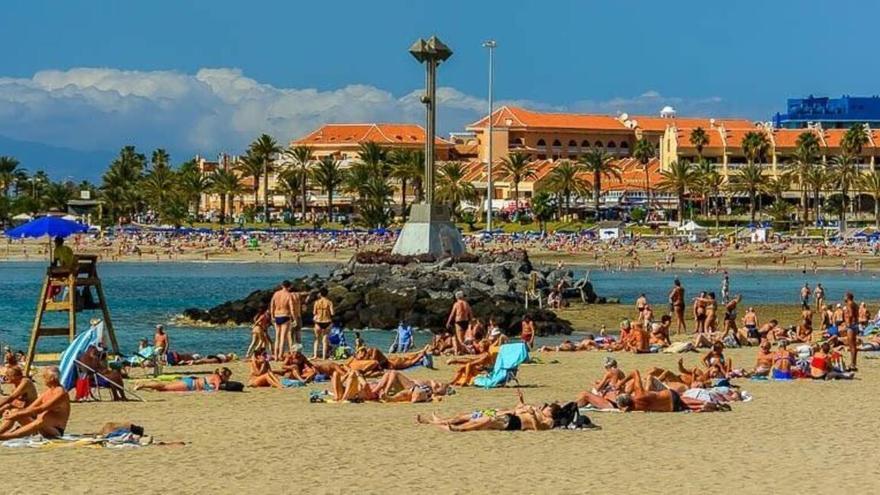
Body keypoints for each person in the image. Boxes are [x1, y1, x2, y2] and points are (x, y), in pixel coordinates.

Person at [0, 366, 70, 440]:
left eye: (45, 377)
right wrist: (13, 414)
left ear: (52, 379)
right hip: (38, 424)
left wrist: (17, 414)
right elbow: (30, 408)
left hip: (54, 429)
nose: (43, 379)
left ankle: (6, 436)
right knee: (14, 411)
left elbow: (41, 409)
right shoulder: (48, 391)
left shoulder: (61, 393)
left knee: (40, 421)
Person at [135, 368, 231, 392]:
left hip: (191, 382)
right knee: (165, 387)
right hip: (191, 384)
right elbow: (217, 390)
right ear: (224, 376)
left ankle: (145, 385)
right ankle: (143, 385)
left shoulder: (214, 375)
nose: (228, 379)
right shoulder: (217, 378)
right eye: (228, 377)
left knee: (164, 387)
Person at [270, 280, 297, 360]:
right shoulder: (289, 295)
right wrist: (294, 319)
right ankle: (280, 355)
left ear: (282, 285)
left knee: (277, 337)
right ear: (289, 286)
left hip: (277, 315)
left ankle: (275, 356)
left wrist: (272, 316)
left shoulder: (276, 294)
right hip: (285, 315)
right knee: (283, 337)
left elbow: (272, 305)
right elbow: (292, 308)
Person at [312, 287, 335, 360]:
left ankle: (315, 355)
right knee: (325, 340)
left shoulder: (317, 302)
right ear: (327, 294)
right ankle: (324, 357)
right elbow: (332, 313)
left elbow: (314, 312)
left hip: (318, 321)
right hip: (327, 321)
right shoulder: (329, 302)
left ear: (320, 294)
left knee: (317, 339)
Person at [843, 292, 859, 371]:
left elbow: (851, 314)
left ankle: (852, 364)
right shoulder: (854, 304)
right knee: (853, 345)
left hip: (851, 326)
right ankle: (853, 363)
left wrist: (848, 323)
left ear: (847, 297)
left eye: (844, 296)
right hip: (855, 325)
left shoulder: (849, 304)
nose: (844, 298)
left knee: (851, 345)